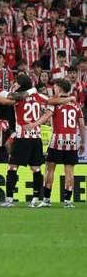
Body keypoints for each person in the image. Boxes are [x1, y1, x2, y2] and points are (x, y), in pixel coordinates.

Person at [0, 73, 49, 207]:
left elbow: (4, 100)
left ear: (21, 84)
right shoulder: (38, 96)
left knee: (12, 167)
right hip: (36, 137)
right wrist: (37, 123)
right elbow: (50, 108)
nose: (14, 84)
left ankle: (9, 199)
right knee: (36, 169)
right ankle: (35, 199)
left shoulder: (19, 98)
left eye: (16, 83)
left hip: (22, 138)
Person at [39, 79, 86, 208]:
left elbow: (47, 107)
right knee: (69, 171)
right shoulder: (76, 105)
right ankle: (68, 201)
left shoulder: (55, 103)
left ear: (59, 88)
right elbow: (81, 125)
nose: (53, 89)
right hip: (72, 141)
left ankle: (46, 200)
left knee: (50, 169)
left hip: (57, 140)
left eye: (55, 87)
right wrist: (82, 142)